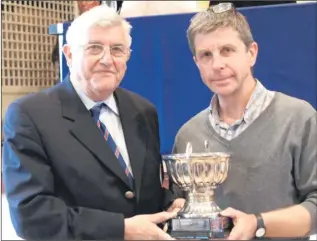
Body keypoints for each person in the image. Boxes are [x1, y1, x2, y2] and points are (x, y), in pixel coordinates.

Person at [2, 5, 182, 240]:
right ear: (69, 54)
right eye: (94, 48)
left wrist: (172, 204)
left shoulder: (143, 111)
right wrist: (121, 229)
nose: (107, 59)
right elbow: (32, 215)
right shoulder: (29, 115)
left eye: (117, 49)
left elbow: (142, 192)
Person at [172, 3, 317, 240]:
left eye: (227, 50)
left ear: (252, 53)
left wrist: (257, 224)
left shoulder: (299, 118)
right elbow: (181, 206)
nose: (217, 64)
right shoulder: (188, 135)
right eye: (206, 55)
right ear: (196, 62)